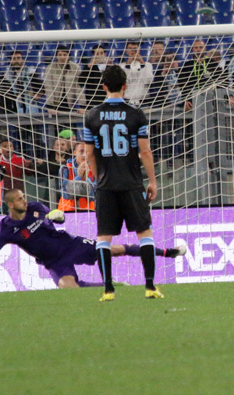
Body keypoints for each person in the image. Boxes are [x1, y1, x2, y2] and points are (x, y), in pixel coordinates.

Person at [0, 189, 185, 289]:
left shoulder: (35, 208)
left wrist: (57, 215)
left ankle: (169, 252)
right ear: (11, 205)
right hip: (53, 262)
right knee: (69, 288)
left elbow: (56, 218)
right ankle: (113, 285)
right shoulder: (6, 229)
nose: (25, 200)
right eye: (20, 199)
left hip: (70, 245)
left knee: (114, 250)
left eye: (24, 196)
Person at [83, 65, 161, 301]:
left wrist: (98, 179)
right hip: (131, 183)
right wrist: (153, 181)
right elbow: (145, 151)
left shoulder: (92, 115)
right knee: (144, 233)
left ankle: (108, 290)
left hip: (106, 186)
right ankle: (149, 287)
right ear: (125, 85)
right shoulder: (136, 114)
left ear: (103, 86)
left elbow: (88, 155)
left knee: (104, 238)